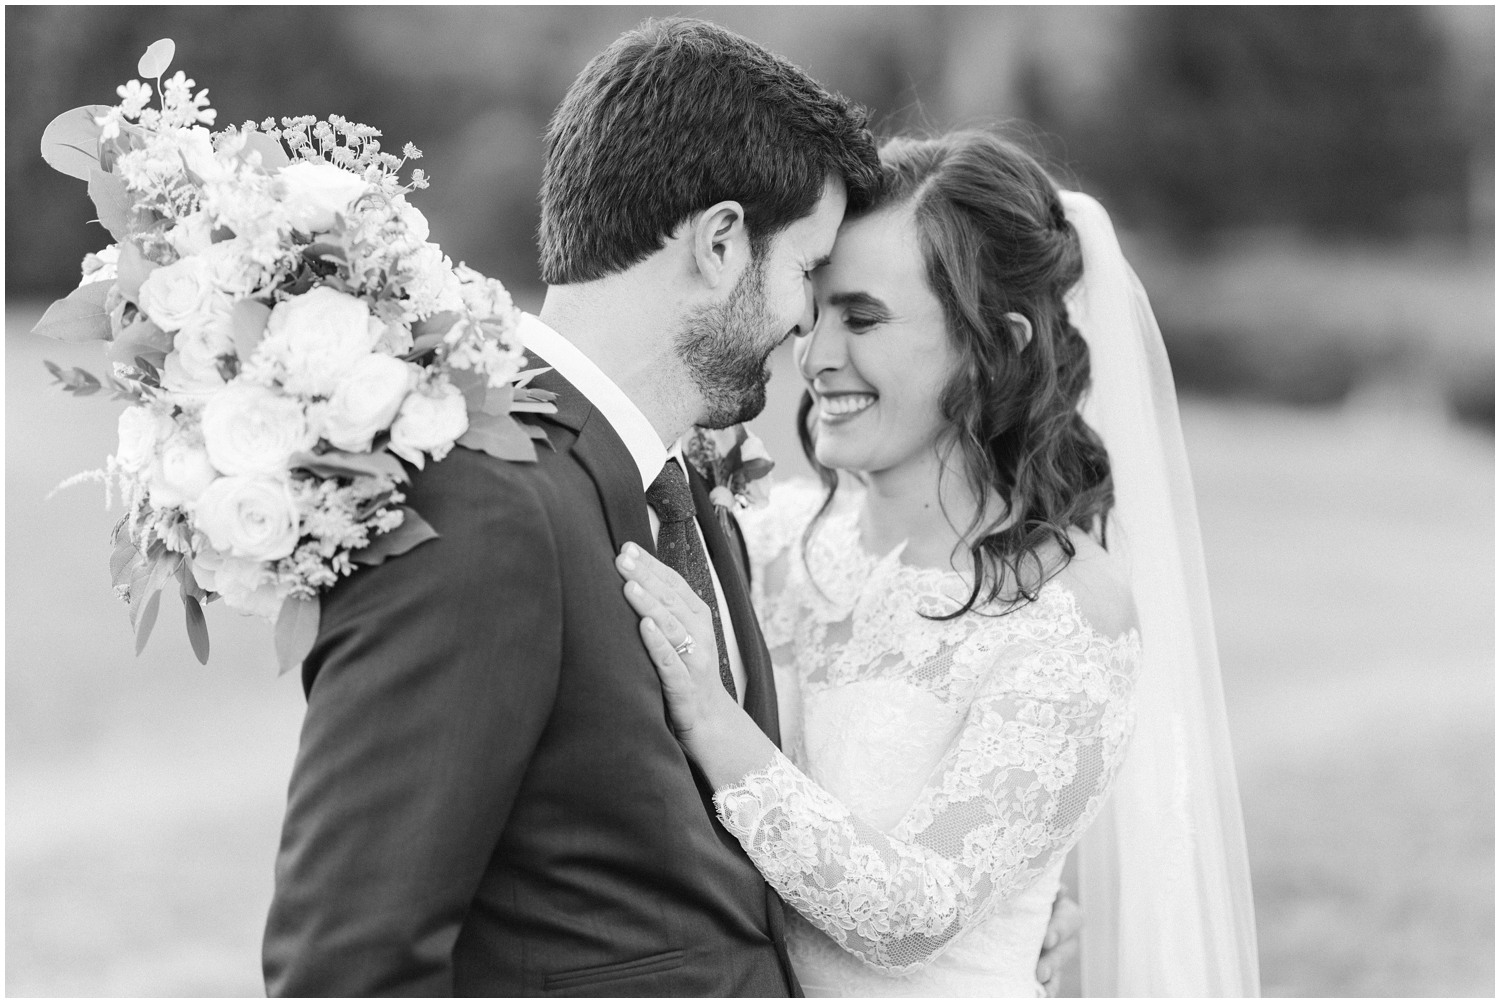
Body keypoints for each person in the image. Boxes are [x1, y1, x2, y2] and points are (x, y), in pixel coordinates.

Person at [263, 21, 1080, 996]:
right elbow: (348, 964)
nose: (810, 330)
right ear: (723, 242)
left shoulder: (681, 492)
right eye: (811, 275)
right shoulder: (485, 501)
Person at [617, 130, 1261, 995]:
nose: (815, 358)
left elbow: (915, 910)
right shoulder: (767, 540)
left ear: (995, 341)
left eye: (865, 317)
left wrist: (712, 718)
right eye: (815, 313)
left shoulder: (1070, 615)